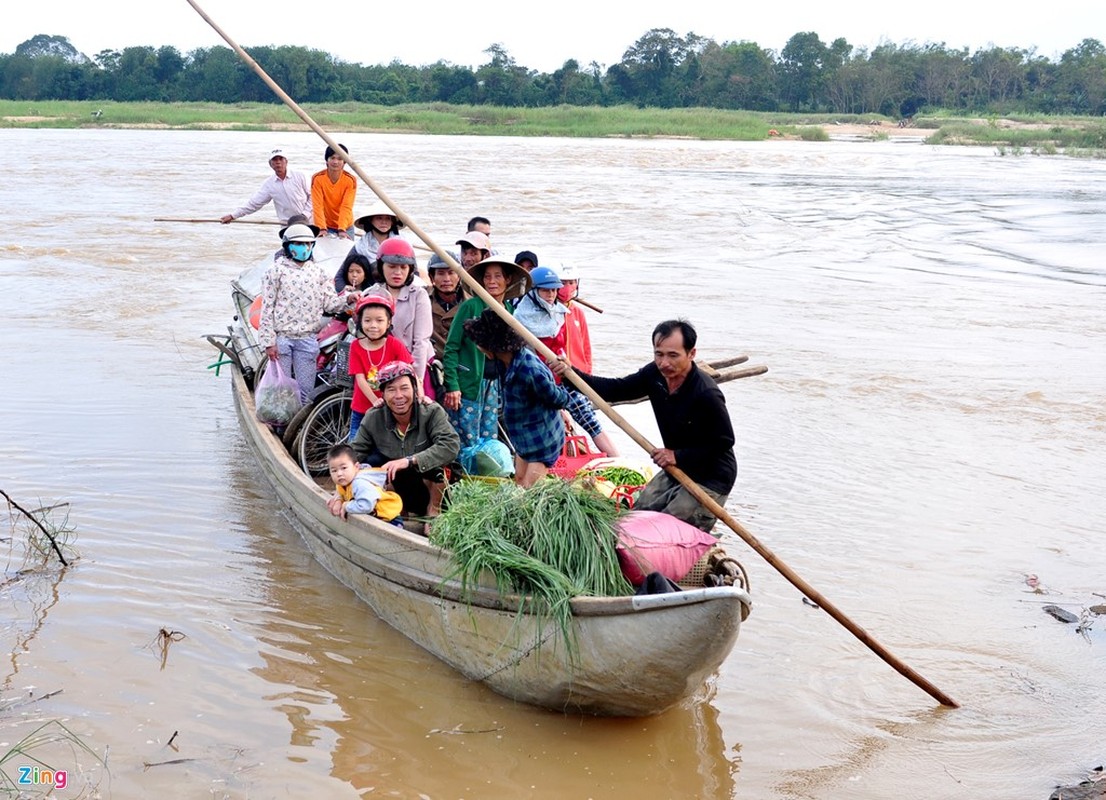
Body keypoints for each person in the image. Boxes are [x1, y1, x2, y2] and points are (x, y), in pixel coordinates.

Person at [557, 319, 736, 532]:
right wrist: (571, 375)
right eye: (658, 354)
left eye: (673, 355)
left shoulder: (706, 394)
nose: (664, 363)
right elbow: (616, 389)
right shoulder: (654, 375)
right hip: (677, 467)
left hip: (710, 476)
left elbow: (724, 441)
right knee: (639, 514)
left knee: (668, 528)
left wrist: (677, 456)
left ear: (691, 354)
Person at [514, 266, 618, 456]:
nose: (551, 295)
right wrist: (558, 406)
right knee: (547, 430)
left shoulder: (560, 312)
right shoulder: (520, 319)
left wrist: (571, 367)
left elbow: (569, 347)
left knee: (590, 420)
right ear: (533, 292)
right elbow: (524, 359)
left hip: (564, 377)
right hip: (539, 385)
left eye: (554, 289)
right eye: (545, 290)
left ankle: (619, 461)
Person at [464, 310, 570, 488]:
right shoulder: (503, 363)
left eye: (480, 344)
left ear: (493, 347)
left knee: (529, 489)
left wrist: (566, 377)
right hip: (523, 437)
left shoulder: (530, 370)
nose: (478, 347)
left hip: (542, 439)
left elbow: (558, 399)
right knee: (519, 482)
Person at [351, 362, 460, 530]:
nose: (399, 396)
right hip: (402, 484)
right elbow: (353, 454)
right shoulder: (374, 417)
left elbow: (451, 445)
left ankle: (434, 511)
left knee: (444, 465)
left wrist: (409, 460)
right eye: (391, 390)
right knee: (371, 462)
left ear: (415, 390)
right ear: (383, 394)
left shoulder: (431, 412)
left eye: (404, 388)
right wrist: (340, 492)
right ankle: (395, 509)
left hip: (431, 484)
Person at [442, 257, 531, 447]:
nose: (492, 281)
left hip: (495, 384)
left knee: (489, 436)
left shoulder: (508, 310)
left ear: (507, 280)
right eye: (487, 277)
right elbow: (451, 347)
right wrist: (452, 384)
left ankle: (484, 474)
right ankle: (464, 473)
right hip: (470, 383)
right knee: (466, 437)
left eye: (497, 276)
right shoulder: (470, 307)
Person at [257, 222, 350, 404]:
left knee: (306, 389)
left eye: (308, 244)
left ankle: (300, 427)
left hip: (308, 338)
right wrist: (268, 342)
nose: (304, 248)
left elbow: (330, 305)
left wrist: (348, 299)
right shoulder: (275, 271)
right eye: (299, 244)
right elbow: (267, 308)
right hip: (282, 338)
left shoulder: (319, 272)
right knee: (281, 389)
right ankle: (279, 425)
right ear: (288, 246)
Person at [366, 239, 433, 399]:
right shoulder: (371, 294)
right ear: (381, 267)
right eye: (392, 267)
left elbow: (421, 341)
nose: (398, 272)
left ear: (410, 270)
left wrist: (417, 380)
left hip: (415, 364)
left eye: (403, 267)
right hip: (380, 364)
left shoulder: (419, 295)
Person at [348, 293, 414, 441]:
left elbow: (410, 375)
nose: (373, 325)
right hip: (362, 408)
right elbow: (360, 378)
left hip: (390, 410)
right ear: (360, 322)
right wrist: (374, 401)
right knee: (354, 447)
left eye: (379, 320)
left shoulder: (395, 344)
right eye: (367, 320)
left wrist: (420, 396)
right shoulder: (356, 346)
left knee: (385, 448)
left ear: (389, 322)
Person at [221, 147, 311, 225]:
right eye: (275, 160)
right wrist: (233, 215)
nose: (278, 162)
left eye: (281, 159)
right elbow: (254, 203)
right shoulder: (269, 184)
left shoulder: (301, 176)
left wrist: (304, 215)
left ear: (286, 161)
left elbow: (314, 196)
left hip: (309, 221)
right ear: (270, 164)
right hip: (287, 224)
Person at [325, 444, 403, 522]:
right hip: (375, 517)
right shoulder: (343, 481)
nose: (339, 474)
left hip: (389, 517)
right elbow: (341, 493)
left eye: (344, 468)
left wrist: (345, 506)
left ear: (356, 467)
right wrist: (338, 500)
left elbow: (366, 506)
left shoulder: (360, 483)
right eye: (334, 470)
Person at [426, 253, 467, 360]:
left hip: (463, 362)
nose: (447, 279)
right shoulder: (422, 298)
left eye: (451, 273)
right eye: (440, 273)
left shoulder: (470, 303)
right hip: (432, 362)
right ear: (431, 277)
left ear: (458, 276)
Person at [311, 143, 357, 238]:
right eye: (332, 158)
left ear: (345, 162)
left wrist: (342, 229)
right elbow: (317, 205)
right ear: (327, 160)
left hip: (346, 226)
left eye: (340, 159)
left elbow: (346, 206)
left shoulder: (350, 180)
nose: (335, 162)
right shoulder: (317, 178)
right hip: (325, 225)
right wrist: (322, 228)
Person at [556, 262, 593, 375]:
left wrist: (588, 371)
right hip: (558, 370)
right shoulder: (550, 310)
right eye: (563, 283)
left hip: (579, 371)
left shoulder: (578, 313)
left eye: (571, 282)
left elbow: (586, 346)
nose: (567, 287)